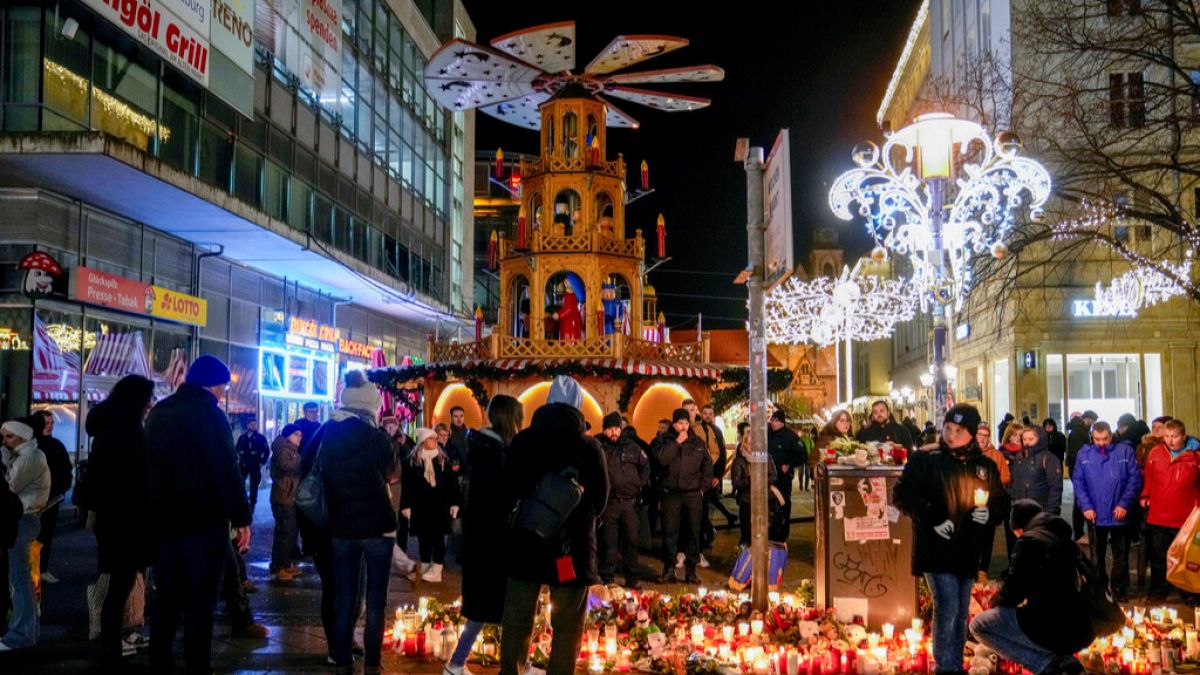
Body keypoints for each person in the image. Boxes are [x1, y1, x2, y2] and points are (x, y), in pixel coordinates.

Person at [145, 354, 252, 672]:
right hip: (204, 525)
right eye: (223, 388)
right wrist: (242, 518)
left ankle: (160, 660)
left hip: (164, 523)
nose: (223, 394)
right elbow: (226, 470)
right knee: (200, 601)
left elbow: (147, 467)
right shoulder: (209, 415)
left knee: (166, 597)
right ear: (214, 386)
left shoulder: (160, 413)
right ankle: (197, 664)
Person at [498, 375, 607, 675]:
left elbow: (507, 490)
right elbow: (600, 499)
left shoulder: (523, 441)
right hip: (568, 551)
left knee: (518, 616)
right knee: (568, 623)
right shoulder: (589, 446)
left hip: (526, 543)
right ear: (579, 407)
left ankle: (512, 671)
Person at [894, 404, 1008, 675]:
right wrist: (932, 516)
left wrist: (989, 512)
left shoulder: (984, 466)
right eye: (947, 428)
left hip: (968, 549)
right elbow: (903, 494)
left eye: (959, 430)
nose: (951, 435)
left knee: (959, 610)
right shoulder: (927, 460)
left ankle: (953, 663)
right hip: (936, 548)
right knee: (947, 606)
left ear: (971, 433)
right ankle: (945, 666)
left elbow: (1002, 502)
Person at [319, 370, 396, 674]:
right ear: (369, 408)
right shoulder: (376, 438)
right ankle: (373, 664)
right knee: (376, 600)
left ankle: (341, 657)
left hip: (342, 529)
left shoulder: (329, 436)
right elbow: (392, 474)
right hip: (378, 528)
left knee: (345, 596)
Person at [445, 395, 523, 675]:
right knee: (504, 605)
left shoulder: (485, 447)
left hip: (483, 538)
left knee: (487, 606)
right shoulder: (494, 452)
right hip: (493, 539)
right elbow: (499, 496)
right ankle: (512, 664)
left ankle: (458, 661)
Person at [969, 500, 1093, 675]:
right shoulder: (1063, 538)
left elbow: (1013, 593)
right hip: (1078, 625)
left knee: (978, 626)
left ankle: (1043, 665)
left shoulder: (1029, 541)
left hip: (1050, 623)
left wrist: (993, 601)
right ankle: (1066, 661)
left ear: (1019, 528)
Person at [83, 375, 154, 666]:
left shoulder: (110, 429)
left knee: (117, 581)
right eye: (147, 400)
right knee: (120, 583)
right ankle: (111, 642)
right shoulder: (126, 433)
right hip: (126, 520)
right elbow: (131, 481)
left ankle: (112, 639)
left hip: (113, 519)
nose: (149, 406)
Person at [1072, 421, 1141, 602]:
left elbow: (1134, 479)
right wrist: (1086, 506)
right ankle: (1099, 587)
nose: (1101, 443)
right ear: (1092, 437)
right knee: (1097, 554)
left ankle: (1119, 587)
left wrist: (1124, 504)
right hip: (1095, 514)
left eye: (1105, 439)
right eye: (1097, 439)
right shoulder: (1084, 454)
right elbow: (1079, 483)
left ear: (1111, 436)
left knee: (1121, 553)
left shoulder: (1125, 452)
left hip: (1120, 514)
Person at [0, 418, 50, 651]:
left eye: (9, 436)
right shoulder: (25, 456)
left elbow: (9, 486)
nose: (5, 441)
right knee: (19, 578)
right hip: (22, 517)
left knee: (19, 579)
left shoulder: (30, 457)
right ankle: (26, 631)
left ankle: (21, 633)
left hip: (24, 518)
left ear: (21, 437)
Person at [1140, 419, 1200, 603]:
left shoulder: (1196, 456)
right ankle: (1158, 591)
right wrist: (1145, 495)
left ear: (1183, 436)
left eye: (1174, 436)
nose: (1170, 440)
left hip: (1186, 517)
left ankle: (1188, 592)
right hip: (1158, 515)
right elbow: (1149, 478)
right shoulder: (1155, 453)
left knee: (1186, 556)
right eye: (1166, 436)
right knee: (1158, 556)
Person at [656, 408, 712, 584]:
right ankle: (669, 569)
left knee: (693, 533)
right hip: (671, 494)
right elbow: (660, 460)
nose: (683, 426)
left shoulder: (697, 442)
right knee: (670, 533)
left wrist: (702, 488)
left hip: (692, 494)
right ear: (674, 424)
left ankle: (691, 571)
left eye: (686, 423)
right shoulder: (664, 440)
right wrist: (676, 443)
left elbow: (707, 466)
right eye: (680, 423)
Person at [597, 411, 649, 588]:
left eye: (616, 428)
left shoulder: (632, 447)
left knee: (631, 541)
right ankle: (607, 578)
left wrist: (638, 485)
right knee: (608, 543)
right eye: (610, 428)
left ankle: (632, 578)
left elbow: (645, 467)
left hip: (629, 503)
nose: (613, 432)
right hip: (608, 503)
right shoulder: (598, 447)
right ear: (604, 430)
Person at [401, 427, 460, 583]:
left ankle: (437, 569)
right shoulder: (412, 461)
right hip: (420, 506)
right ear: (422, 441)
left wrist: (454, 503)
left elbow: (452, 484)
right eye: (431, 438)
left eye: (436, 438)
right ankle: (426, 566)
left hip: (439, 505)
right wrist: (406, 505)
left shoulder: (442, 460)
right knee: (424, 538)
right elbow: (407, 486)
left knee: (438, 538)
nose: (435, 441)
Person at [30, 410, 70, 585]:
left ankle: (41, 569)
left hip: (51, 498)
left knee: (45, 534)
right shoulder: (35, 445)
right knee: (35, 535)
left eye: (51, 423)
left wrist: (61, 489)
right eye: (46, 423)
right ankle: (35, 570)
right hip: (36, 498)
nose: (50, 427)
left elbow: (66, 471)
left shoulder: (55, 445)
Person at [694, 402, 733, 556]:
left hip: (710, 477)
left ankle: (706, 536)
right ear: (701, 414)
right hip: (698, 475)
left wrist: (717, 476)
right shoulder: (697, 429)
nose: (708, 416)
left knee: (704, 509)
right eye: (705, 413)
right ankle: (707, 534)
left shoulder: (716, 431)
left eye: (710, 414)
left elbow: (721, 454)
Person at [729, 423, 778, 547]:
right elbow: (736, 483)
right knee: (747, 534)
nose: (751, 447)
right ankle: (745, 560)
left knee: (763, 532)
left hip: (763, 499)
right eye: (749, 443)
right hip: (747, 500)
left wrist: (762, 481)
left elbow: (773, 476)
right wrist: (750, 481)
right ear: (744, 443)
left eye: (754, 444)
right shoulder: (739, 461)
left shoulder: (766, 457)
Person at [975, 424, 1011, 581]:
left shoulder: (996, 455)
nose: (982, 438)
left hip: (989, 502)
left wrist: (991, 481)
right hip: (971, 503)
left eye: (985, 435)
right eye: (980, 434)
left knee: (987, 536)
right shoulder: (970, 454)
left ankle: (983, 569)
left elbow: (1006, 477)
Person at [269, 423, 304, 581]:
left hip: (289, 496)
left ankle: (285, 563)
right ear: (289, 435)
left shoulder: (290, 450)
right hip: (283, 496)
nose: (299, 438)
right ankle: (278, 566)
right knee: (284, 532)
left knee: (290, 532)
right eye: (297, 435)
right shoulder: (282, 449)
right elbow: (286, 466)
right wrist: (301, 462)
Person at [1008, 426, 1063, 516]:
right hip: (1020, 508)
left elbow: (1055, 487)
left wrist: (1050, 511)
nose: (1027, 442)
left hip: (1040, 509)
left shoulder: (1048, 458)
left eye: (1030, 439)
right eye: (1024, 439)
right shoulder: (1019, 457)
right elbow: (1013, 481)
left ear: (1040, 439)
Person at [767, 410, 802, 541]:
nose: (774, 423)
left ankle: (782, 534)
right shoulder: (767, 433)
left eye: (777, 421)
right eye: (773, 420)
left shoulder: (790, 436)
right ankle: (771, 532)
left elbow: (802, 455)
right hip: (768, 478)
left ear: (782, 423)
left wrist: (789, 465)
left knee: (783, 505)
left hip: (783, 479)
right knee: (770, 507)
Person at [1066, 410, 1098, 540]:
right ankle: (1079, 532)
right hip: (1080, 469)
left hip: (1076, 468)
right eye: (1092, 420)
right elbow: (1080, 453)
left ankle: (1079, 531)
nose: (1092, 423)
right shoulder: (1080, 432)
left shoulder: (1078, 430)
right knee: (1080, 499)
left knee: (1079, 498)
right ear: (1087, 419)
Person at [236, 418, 270, 512]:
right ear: (247, 425)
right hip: (243, 464)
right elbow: (237, 449)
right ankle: (242, 501)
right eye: (251, 424)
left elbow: (267, 451)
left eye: (255, 424)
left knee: (254, 485)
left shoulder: (261, 438)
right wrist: (240, 455)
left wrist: (262, 462)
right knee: (240, 483)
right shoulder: (242, 438)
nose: (253, 426)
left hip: (255, 464)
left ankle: (252, 504)